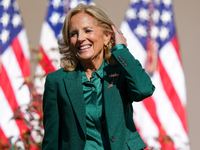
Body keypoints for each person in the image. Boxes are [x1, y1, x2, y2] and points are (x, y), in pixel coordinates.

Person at [42, 4, 155, 150]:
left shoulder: (121, 72)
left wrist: (121, 49)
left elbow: (144, 90)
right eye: (73, 34)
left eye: (88, 30)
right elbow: (51, 140)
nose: (80, 38)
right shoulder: (57, 81)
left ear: (107, 36)